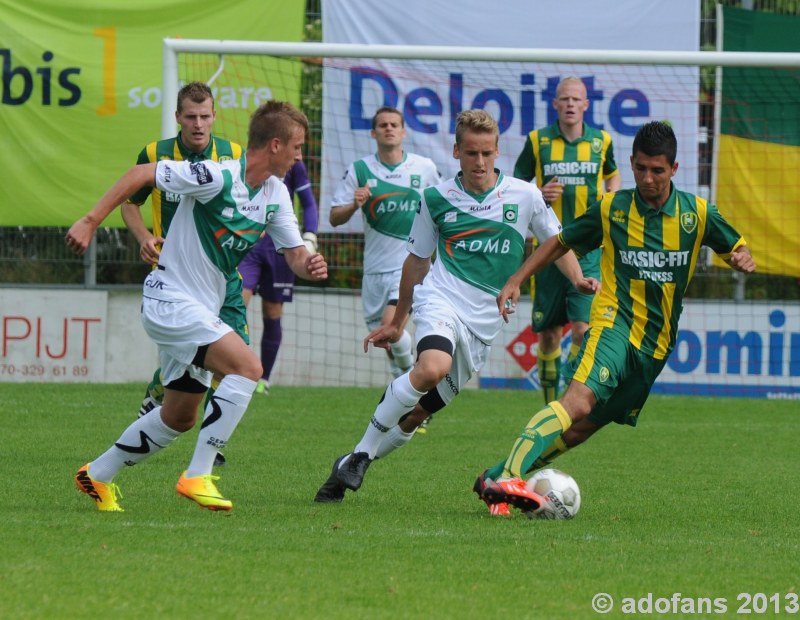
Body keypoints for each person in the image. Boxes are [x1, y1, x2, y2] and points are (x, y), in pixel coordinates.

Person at [314, 109, 598, 507]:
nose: (479, 162)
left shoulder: (525, 195)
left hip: (484, 326)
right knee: (431, 368)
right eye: (470, 153)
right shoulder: (436, 198)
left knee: (416, 416)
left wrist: (577, 279)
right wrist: (398, 321)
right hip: (441, 299)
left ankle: (348, 465)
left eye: (486, 153)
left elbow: (555, 241)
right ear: (456, 152)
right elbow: (416, 261)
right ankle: (360, 453)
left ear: (497, 151)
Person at [476, 121, 756, 516]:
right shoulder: (613, 209)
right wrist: (517, 278)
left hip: (655, 345)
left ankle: (496, 476)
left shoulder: (697, 214)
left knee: (582, 428)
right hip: (612, 322)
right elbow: (560, 241)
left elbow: (737, 247)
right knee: (576, 402)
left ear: (674, 169)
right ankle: (510, 480)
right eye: (640, 168)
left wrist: (742, 257)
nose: (647, 178)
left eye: (657, 170)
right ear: (631, 164)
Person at [66, 100, 328, 512]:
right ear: (275, 144)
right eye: (297, 147)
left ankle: (97, 474)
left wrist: (309, 265)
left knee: (179, 417)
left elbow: (294, 255)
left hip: (200, 312)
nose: (300, 156)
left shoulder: (275, 194)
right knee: (249, 368)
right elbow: (140, 174)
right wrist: (90, 220)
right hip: (170, 300)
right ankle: (197, 475)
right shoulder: (219, 175)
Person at [122, 83, 248, 470]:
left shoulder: (234, 155)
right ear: (178, 117)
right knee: (208, 361)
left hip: (222, 278)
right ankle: (191, 426)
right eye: (190, 116)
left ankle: (207, 435)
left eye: (205, 116)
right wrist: (144, 237)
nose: (198, 124)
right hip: (176, 279)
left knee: (238, 357)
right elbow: (130, 205)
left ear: (214, 116)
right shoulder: (155, 154)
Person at [514, 76, 621, 404]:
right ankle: (548, 405)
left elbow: (613, 174)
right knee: (548, 335)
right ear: (555, 104)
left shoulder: (602, 141)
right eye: (565, 99)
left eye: (577, 99)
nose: (571, 104)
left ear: (586, 105)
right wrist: (539, 193)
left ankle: (566, 401)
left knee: (582, 329)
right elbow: (517, 185)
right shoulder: (538, 141)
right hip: (548, 249)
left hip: (588, 249)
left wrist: (610, 199)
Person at [329, 106, 440, 380]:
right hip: (373, 271)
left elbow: (442, 206)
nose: (388, 128)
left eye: (394, 124)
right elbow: (334, 218)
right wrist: (355, 205)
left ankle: (410, 390)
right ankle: (404, 380)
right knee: (388, 339)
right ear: (373, 132)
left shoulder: (424, 168)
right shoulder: (360, 170)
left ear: (403, 131)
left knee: (390, 326)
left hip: (408, 266)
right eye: (382, 125)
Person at [238, 157, 319, 396]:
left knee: (272, 313)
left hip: (281, 247)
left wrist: (310, 237)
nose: (298, 153)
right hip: (249, 247)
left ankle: (264, 379)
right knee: (235, 306)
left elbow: (308, 204)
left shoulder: (295, 165)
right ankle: (234, 371)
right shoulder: (245, 162)